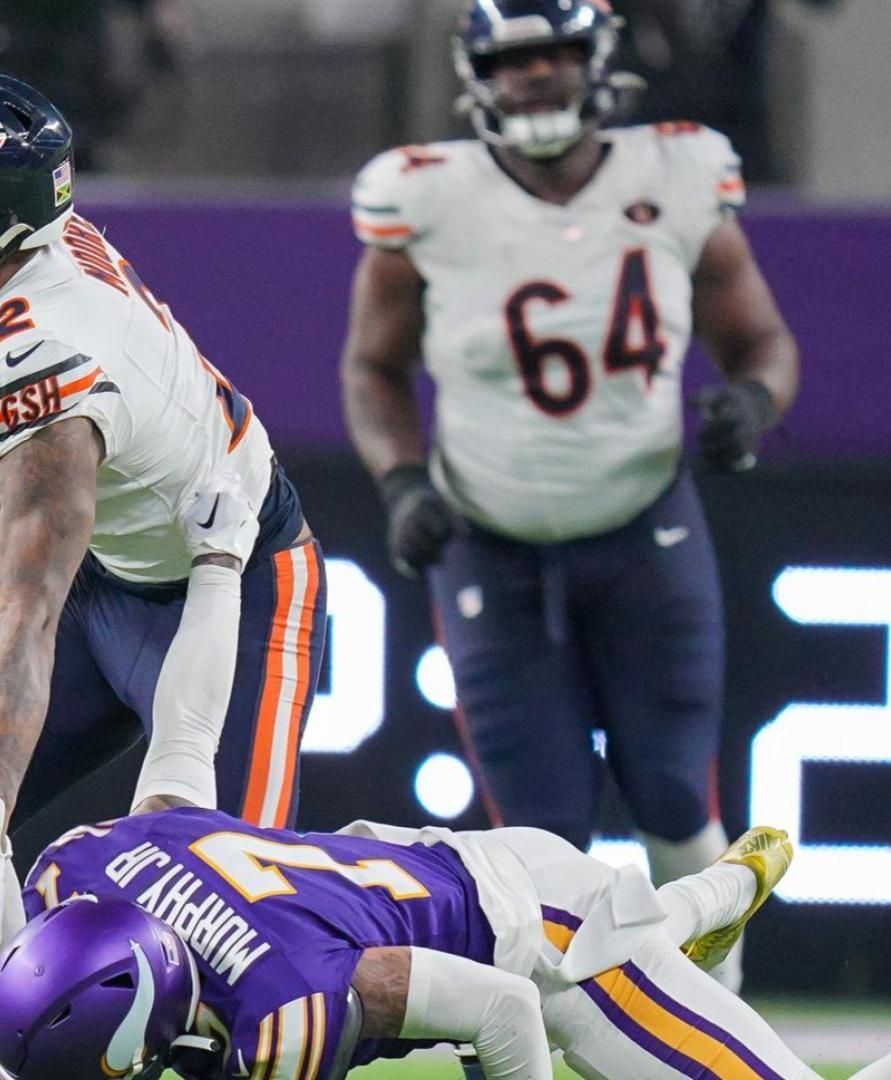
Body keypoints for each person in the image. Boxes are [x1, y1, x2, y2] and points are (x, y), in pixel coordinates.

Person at [0, 70, 325, 1079]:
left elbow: (27, 606)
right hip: (113, 577)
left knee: (222, 901)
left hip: (230, 576)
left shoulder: (44, 356)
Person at [338, 0, 798, 989]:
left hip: (643, 524)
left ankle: (724, 1033)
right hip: (489, 539)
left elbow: (762, 339)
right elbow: (372, 368)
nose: (536, 79)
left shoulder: (672, 175)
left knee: (678, 796)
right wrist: (402, 481)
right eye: (512, 63)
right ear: (475, 80)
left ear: (595, 63)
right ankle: (571, 1039)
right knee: (542, 834)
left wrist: (753, 404)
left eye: (552, 56)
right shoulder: (427, 196)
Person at [0, 805, 891, 1080]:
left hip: (541, 941)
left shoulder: (298, 1001)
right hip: (426, 860)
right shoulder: (78, 872)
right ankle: (713, 896)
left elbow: (502, 1016)